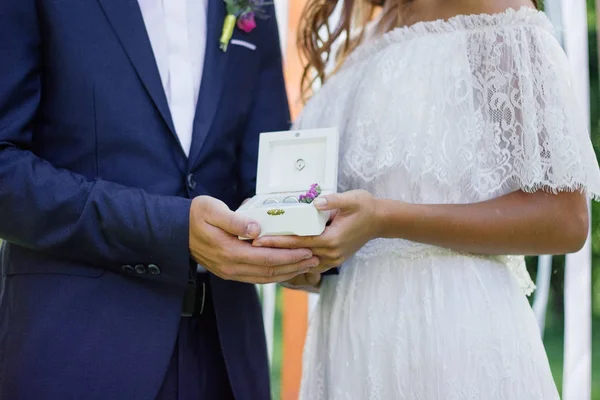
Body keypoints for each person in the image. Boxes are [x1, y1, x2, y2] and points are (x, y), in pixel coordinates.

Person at [255, 0, 600, 398]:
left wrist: (385, 219)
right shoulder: (366, 32)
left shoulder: (492, 9)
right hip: (349, 346)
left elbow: (566, 220)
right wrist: (313, 260)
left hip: (449, 341)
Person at [0, 1, 321, 399]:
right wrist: (170, 227)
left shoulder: (252, 7)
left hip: (226, 358)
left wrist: (306, 237)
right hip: (79, 352)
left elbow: (262, 175)